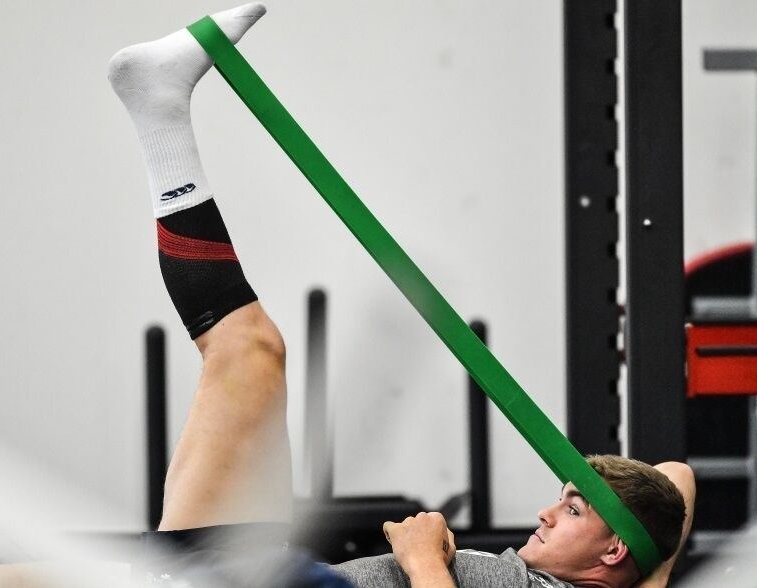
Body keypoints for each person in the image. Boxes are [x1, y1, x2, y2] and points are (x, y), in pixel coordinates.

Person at [107, 4, 696, 587]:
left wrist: (421, 559)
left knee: (245, 353)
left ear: (613, 548)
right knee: (253, 352)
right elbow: (678, 479)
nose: (545, 512)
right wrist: (643, 565)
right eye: (565, 500)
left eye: (572, 510)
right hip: (284, 574)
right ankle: (159, 109)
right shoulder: (610, 567)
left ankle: (158, 113)